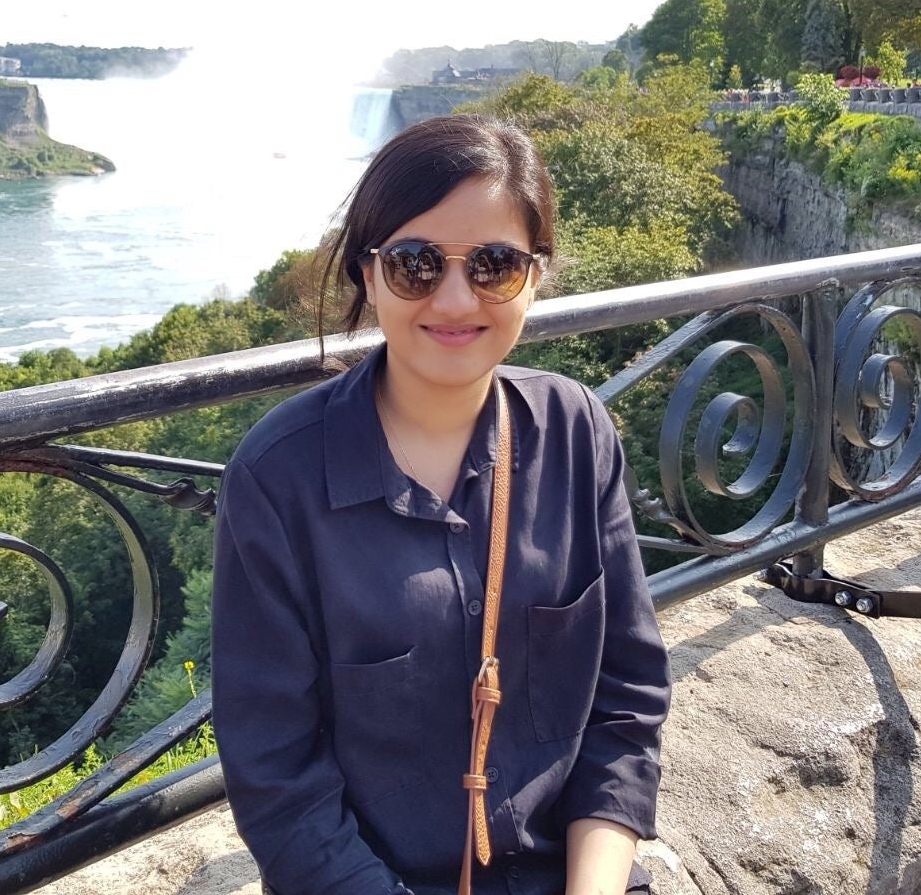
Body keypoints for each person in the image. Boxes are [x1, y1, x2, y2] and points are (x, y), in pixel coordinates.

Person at [210, 114, 671, 895]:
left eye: (494, 263)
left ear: (536, 274)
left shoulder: (574, 430)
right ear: (367, 273)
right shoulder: (279, 479)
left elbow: (625, 698)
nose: (456, 299)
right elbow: (280, 783)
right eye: (417, 264)